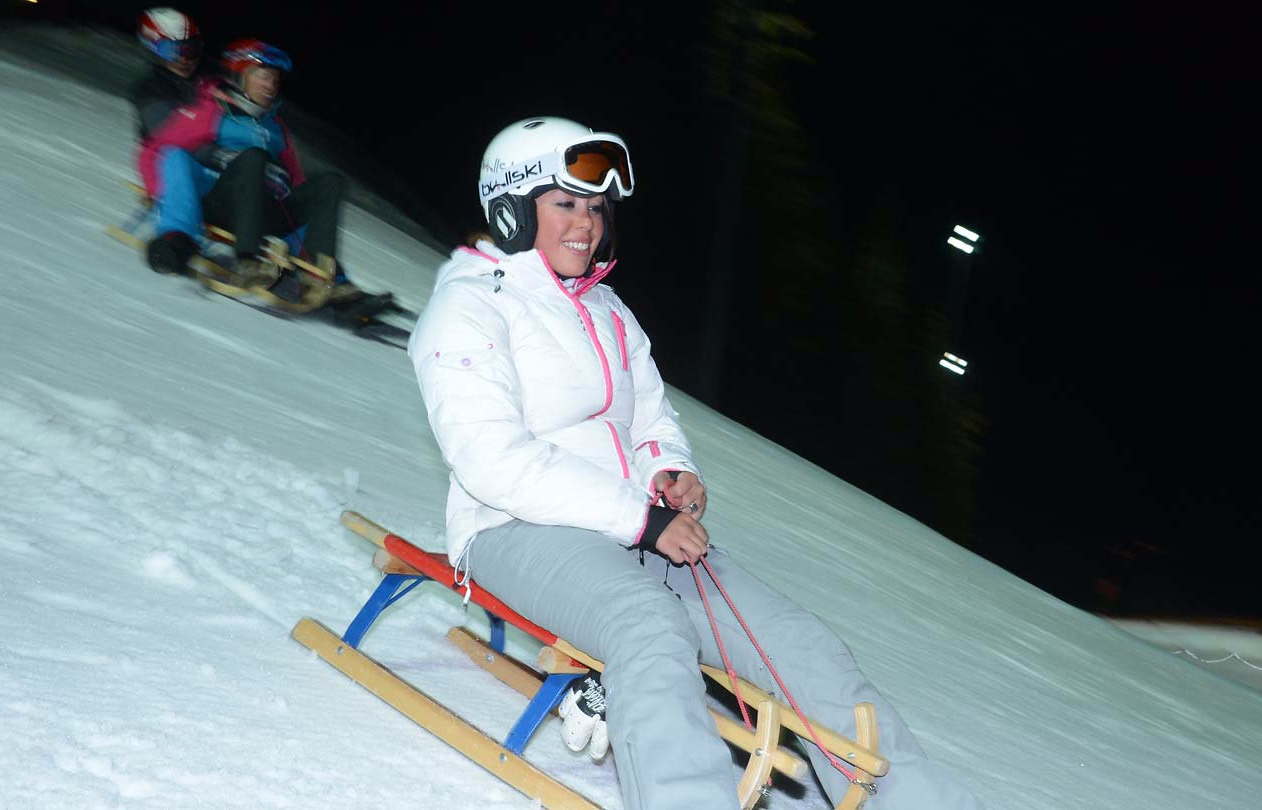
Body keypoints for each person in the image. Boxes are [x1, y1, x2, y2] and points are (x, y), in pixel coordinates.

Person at [407, 117, 982, 809]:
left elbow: (650, 415)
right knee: (648, 625)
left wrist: (667, 471)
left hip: (638, 529)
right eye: (564, 204)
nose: (586, 224)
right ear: (510, 209)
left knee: (800, 644)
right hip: (513, 531)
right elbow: (492, 461)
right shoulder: (468, 309)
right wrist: (640, 520)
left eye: (596, 207)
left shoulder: (608, 309)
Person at [138, 38, 361, 312]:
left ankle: (325, 274)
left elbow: (297, 186)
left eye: (275, 80)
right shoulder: (212, 110)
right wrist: (157, 195)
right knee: (249, 158)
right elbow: (158, 151)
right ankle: (246, 259)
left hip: (265, 212)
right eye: (263, 77)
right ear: (241, 75)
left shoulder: (276, 127)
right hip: (221, 204)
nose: (271, 86)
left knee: (329, 182)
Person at [127, 8, 202, 143]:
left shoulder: (208, 80)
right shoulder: (149, 92)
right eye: (170, 52)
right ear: (153, 52)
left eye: (190, 50)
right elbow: (169, 137)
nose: (183, 59)